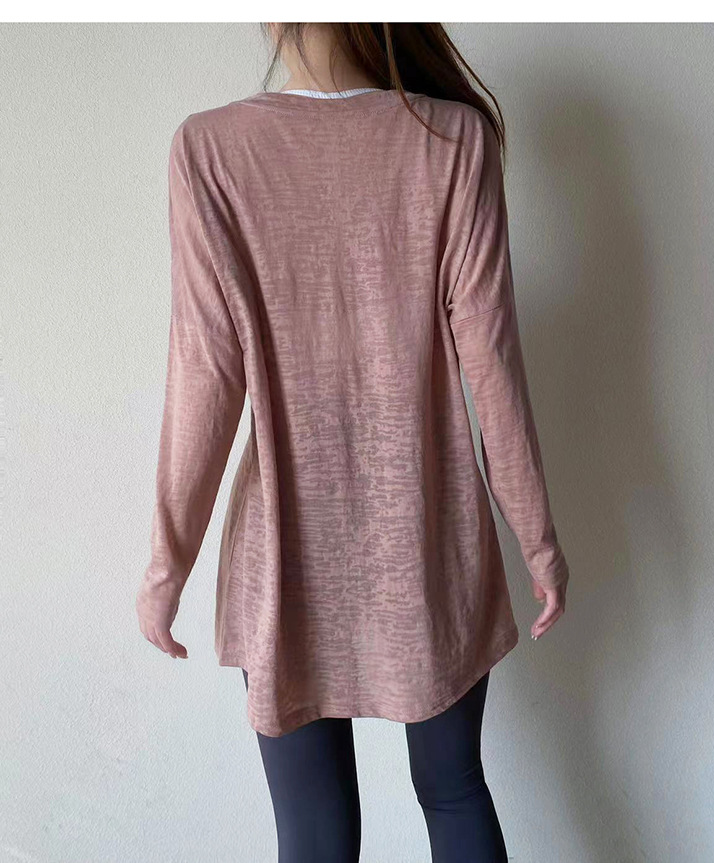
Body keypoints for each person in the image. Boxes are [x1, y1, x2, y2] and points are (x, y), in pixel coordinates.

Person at [136, 22, 570, 863]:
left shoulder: (211, 151)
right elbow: (493, 364)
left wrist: (167, 567)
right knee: (453, 789)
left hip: (285, 555)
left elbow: (204, 373)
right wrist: (538, 541)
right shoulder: (453, 140)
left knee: (313, 831)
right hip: (429, 542)